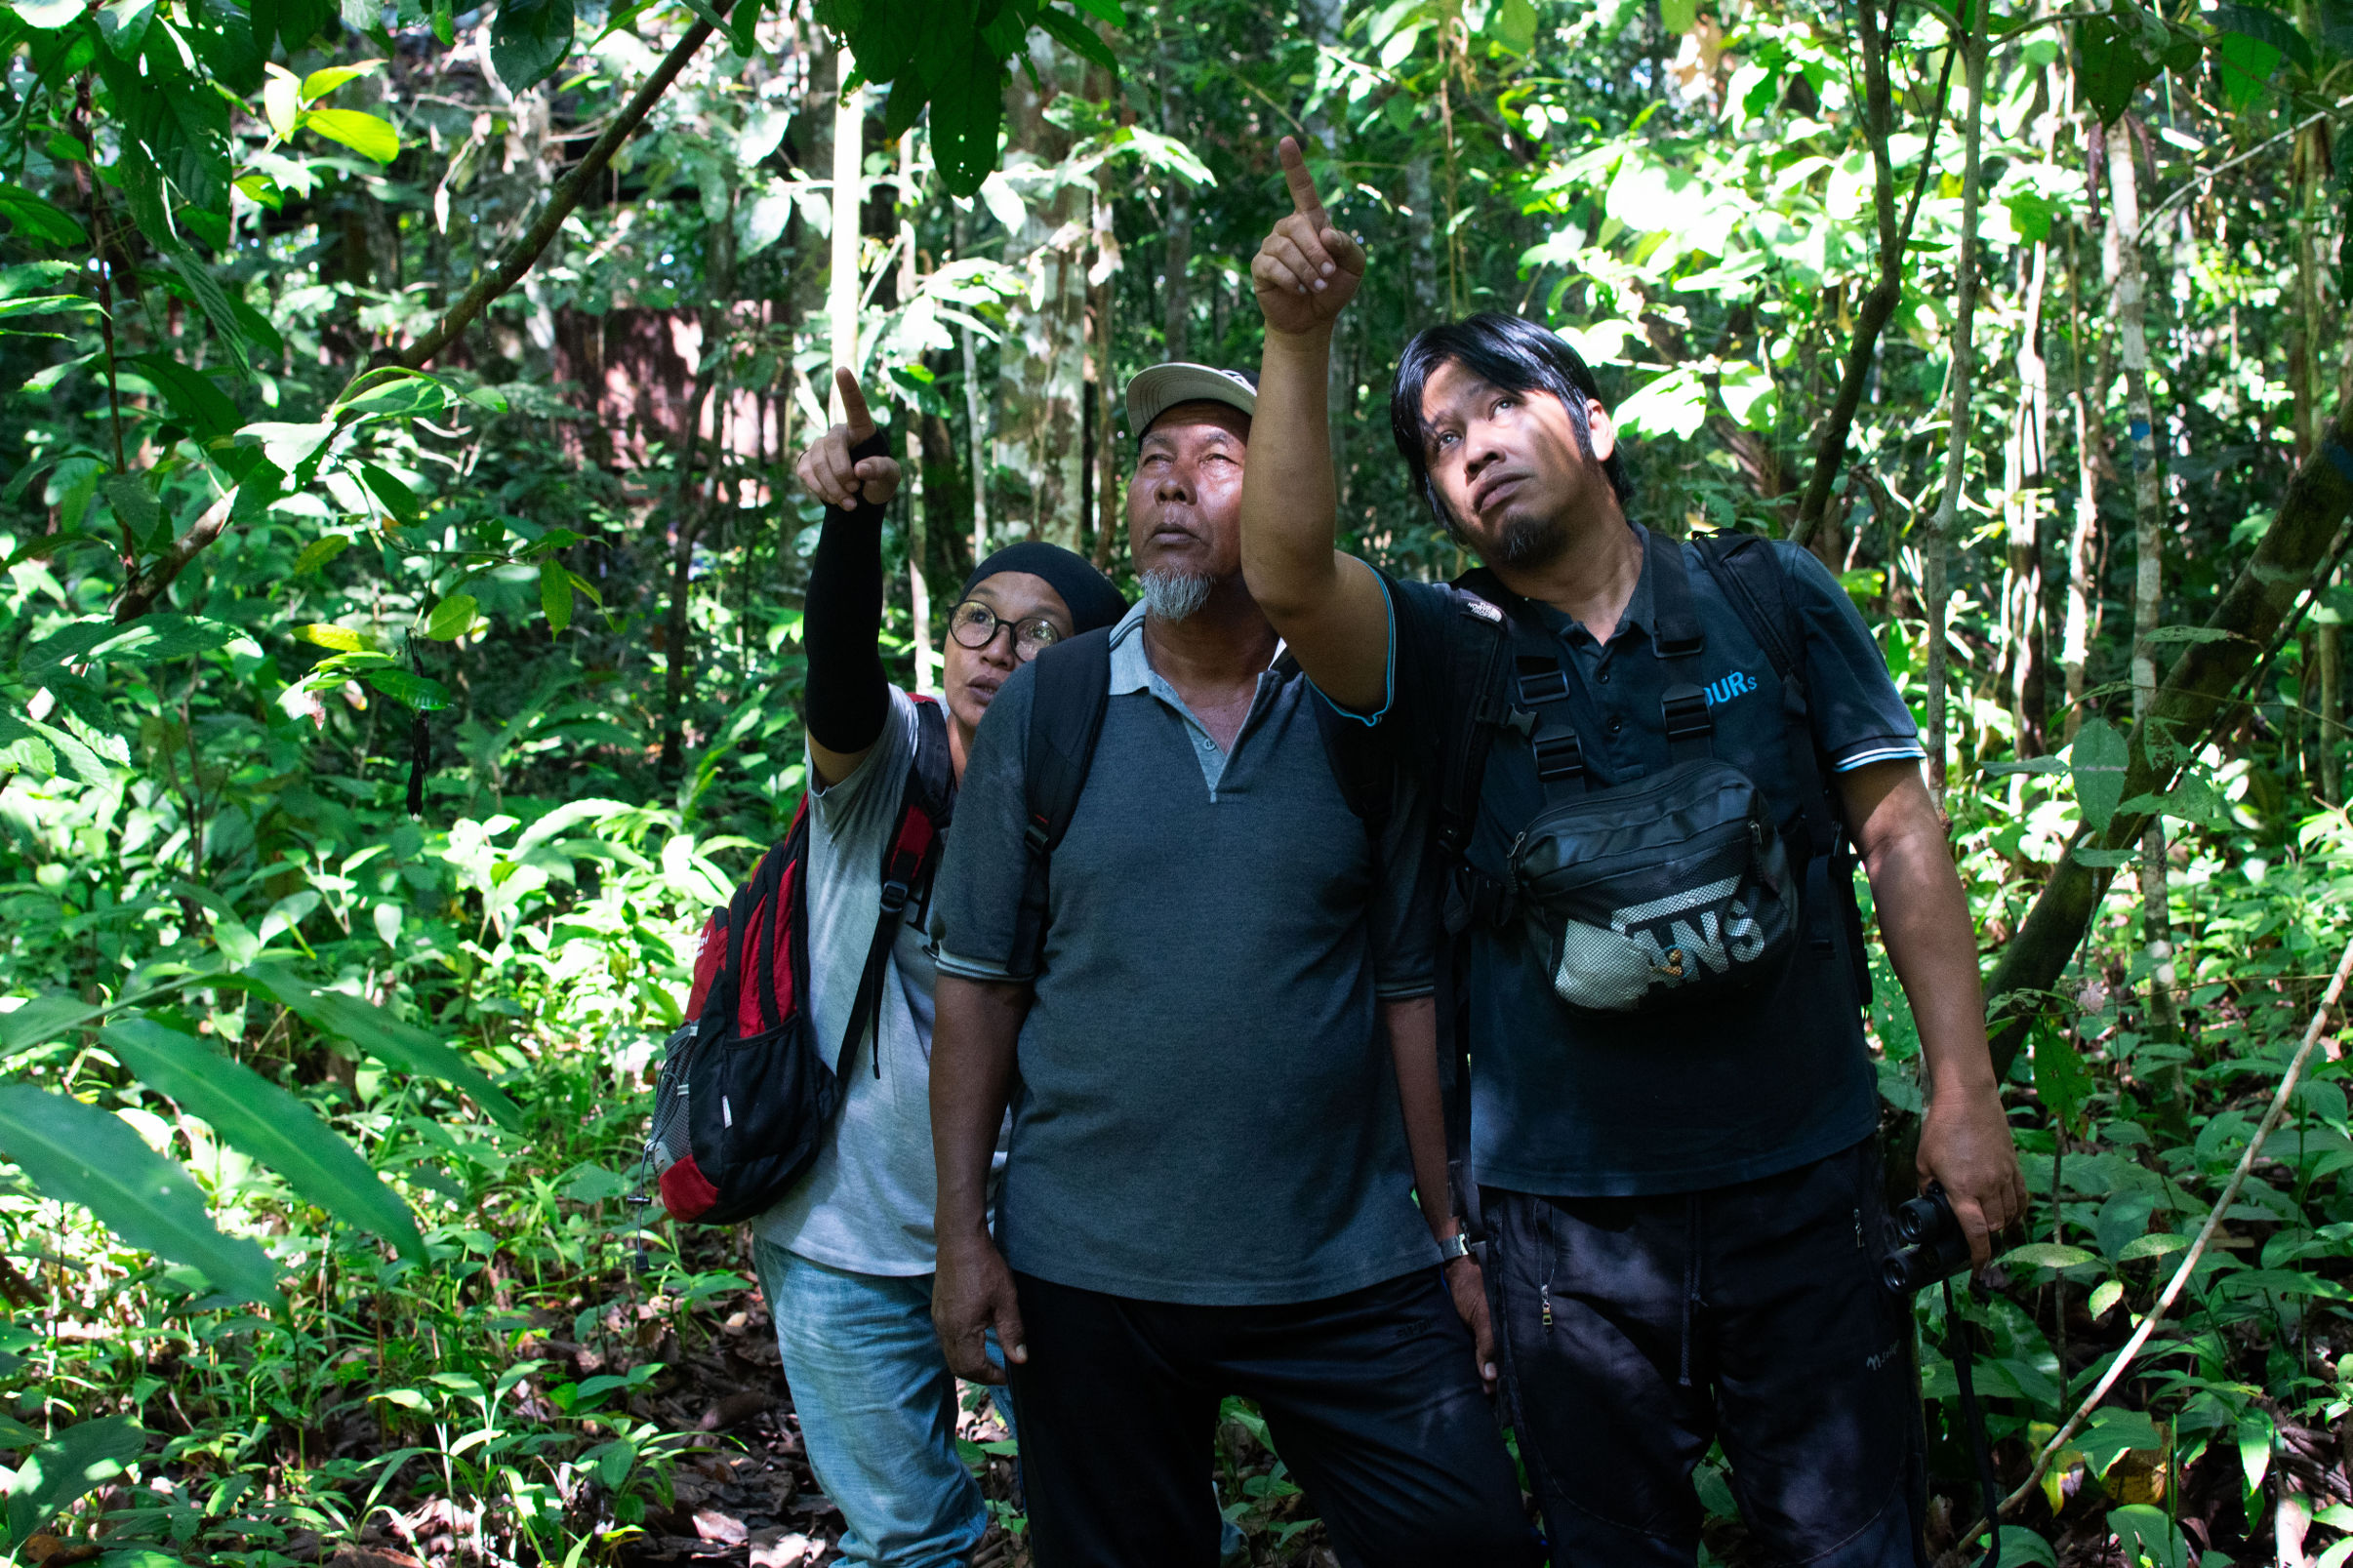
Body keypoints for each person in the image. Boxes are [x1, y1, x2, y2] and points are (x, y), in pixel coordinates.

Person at [1235, 138, 2026, 1566]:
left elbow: (1897, 823)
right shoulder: (1439, 653)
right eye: (1437, 443)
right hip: (1564, 1241)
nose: (1468, 446)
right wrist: (1296, 338)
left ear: (1591, 424)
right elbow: (1286, 569)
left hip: (1805, 1177)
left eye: (1495, 407)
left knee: (1853, 1542)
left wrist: (1958, 1089)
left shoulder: (1762, 597)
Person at [923, 362, 1538, 1568]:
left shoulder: (1359, 704)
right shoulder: (1052, 705)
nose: (1172, 486)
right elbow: (979, 984)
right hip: (1087, 1268)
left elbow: (1409, 985)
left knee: (1469, 1543)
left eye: (1216, 461)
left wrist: (1452, 1237)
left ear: (1287, 502)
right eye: (1154, 460)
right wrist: (963, 1237)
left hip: (1342, 1261)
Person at [759, 367, 1126, 1568]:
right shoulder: (885, 767)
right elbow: (835, 670)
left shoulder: (1116, 799)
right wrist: (852, 521)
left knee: (1135, 1519)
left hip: (1045, 1237)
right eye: (978, 617)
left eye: (1038, 633)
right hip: (845, 1234)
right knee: (908, 1537)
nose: (998, 650)